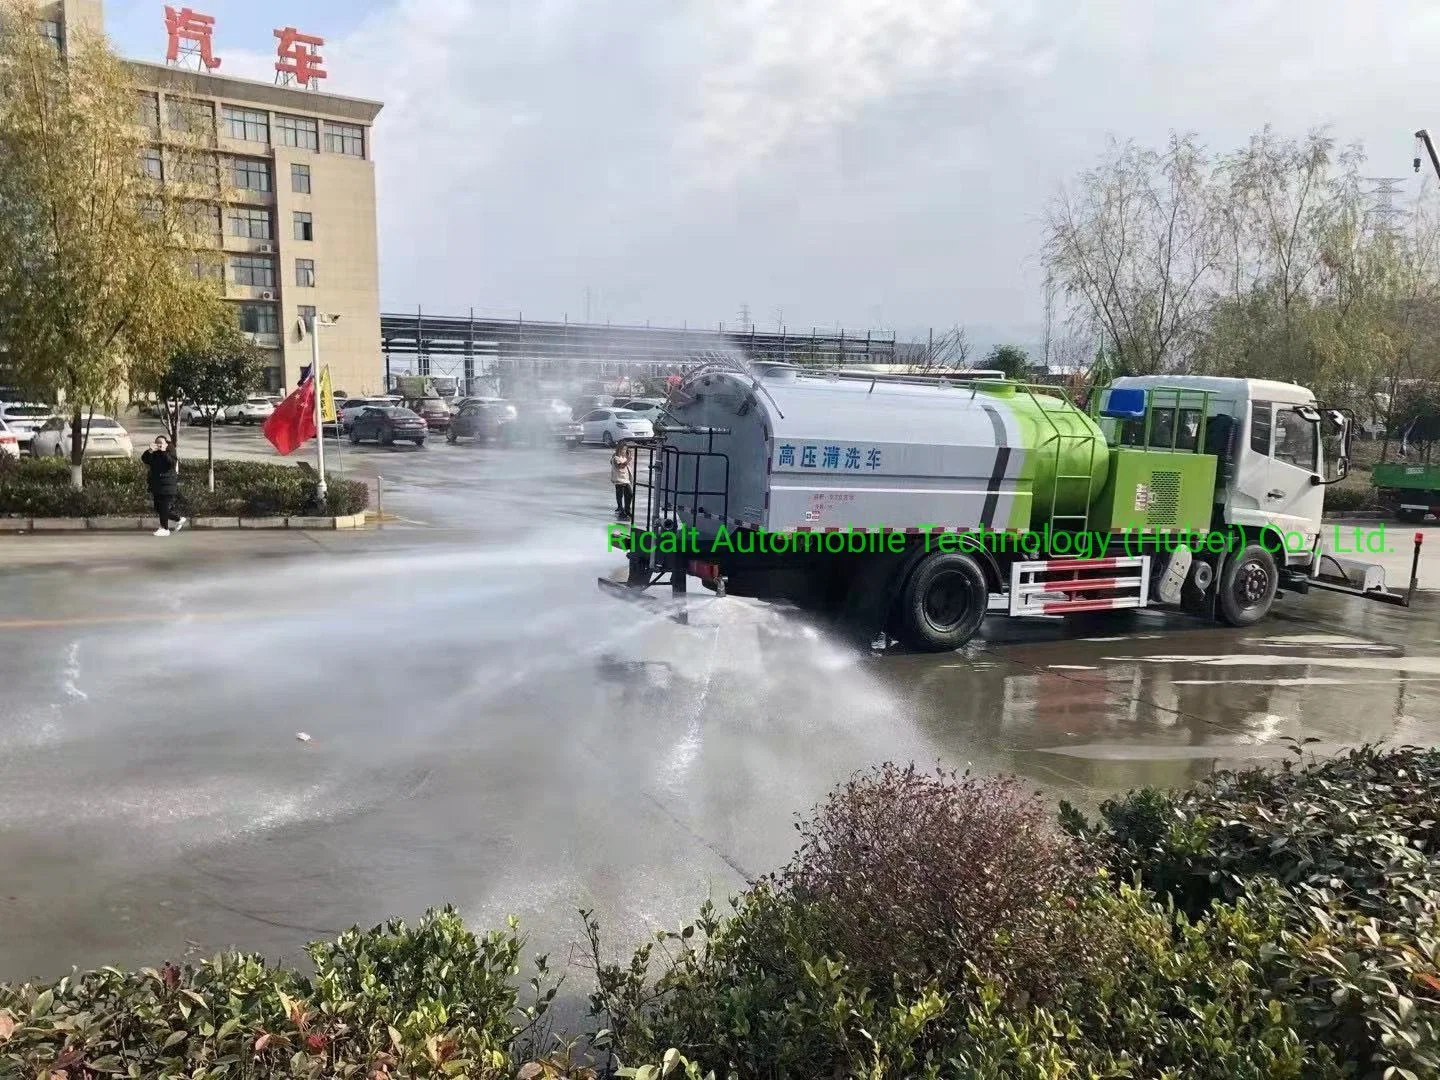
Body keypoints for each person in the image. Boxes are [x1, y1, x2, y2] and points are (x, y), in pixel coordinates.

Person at [141, 435, 187, 537]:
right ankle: (178, 519)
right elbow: (145, 459)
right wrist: (149, 450)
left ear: (166, 443)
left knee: (163, 506)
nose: (159, 444)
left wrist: (164, 451)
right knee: (158, 508)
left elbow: (170, 463)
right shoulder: (154, 452)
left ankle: (165, 528)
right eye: (157, 442)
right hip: (157, 484)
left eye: (161, 442)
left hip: (167, 484)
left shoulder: (170, 450)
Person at [610, 440, 635, 519]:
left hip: (626, 479)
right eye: (622, 449)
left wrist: (628, 458)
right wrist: (628, 461)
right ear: (618, 449)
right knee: (620, 495)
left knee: (630, 494)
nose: (623, 451)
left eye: (624, 449)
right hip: (619, 480)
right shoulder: (616, 458)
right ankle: (621, 509)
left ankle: (627, 509)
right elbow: (620, 466)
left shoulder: (625, 457)